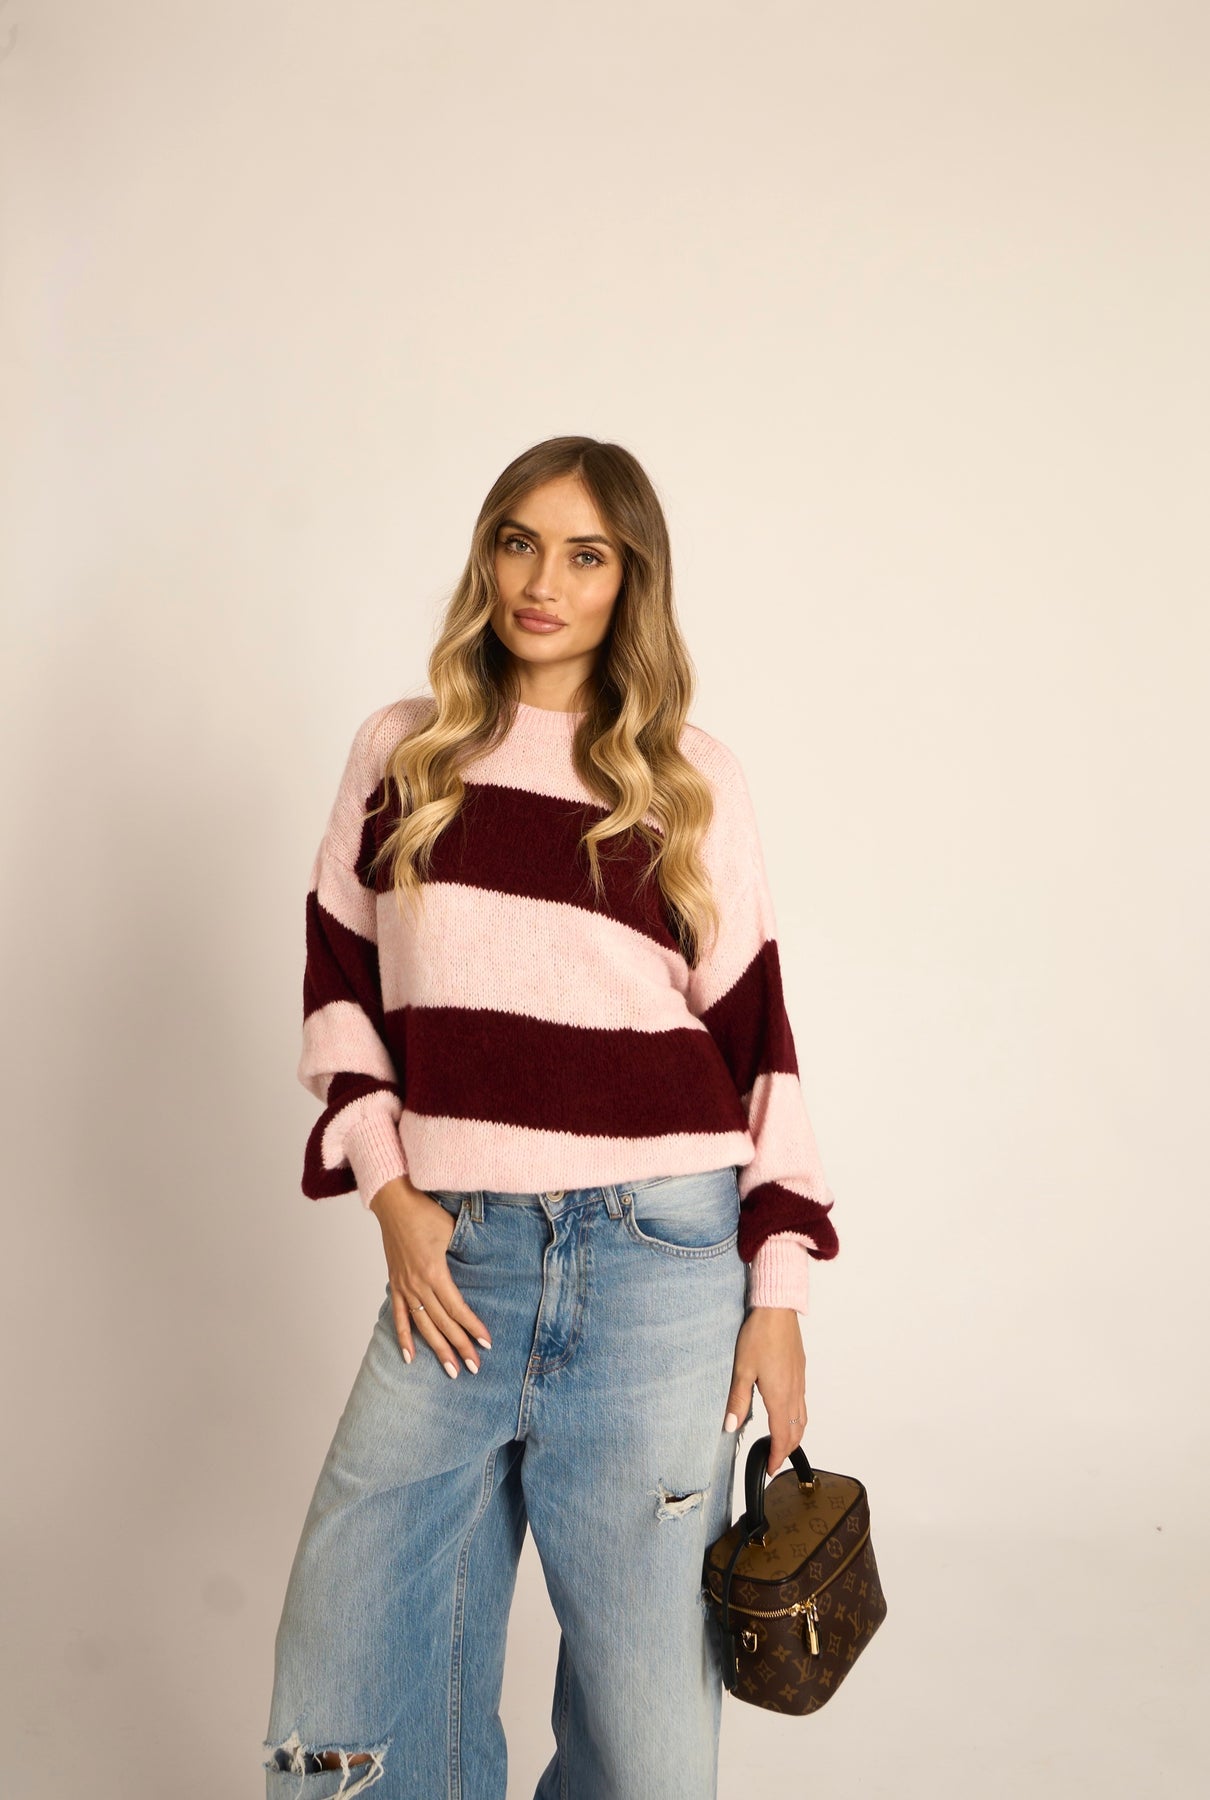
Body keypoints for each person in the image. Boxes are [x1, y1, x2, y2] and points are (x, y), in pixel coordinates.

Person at [263, 435, 840, 1798]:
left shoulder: (690, 778)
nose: (543, 581)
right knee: (352, 1652)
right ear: (486, 555)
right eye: (519, 542)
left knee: (645, 1715)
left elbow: (758, 1045)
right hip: (456, 1260)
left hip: (661, 1262)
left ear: (630, 581)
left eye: (586, 555)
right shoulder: (404, 751)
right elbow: (338, 988)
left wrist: (777, 1297)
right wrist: (391, 1193)